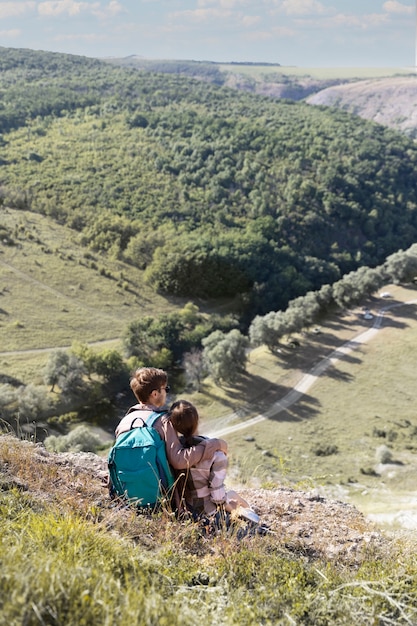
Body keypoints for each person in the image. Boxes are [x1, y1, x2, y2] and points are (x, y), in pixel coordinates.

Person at [115, 367, 228, 509]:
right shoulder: (162, 421)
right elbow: (179, 460)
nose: (166, 393)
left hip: (127, 496)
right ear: (155, 394)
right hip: (161, 500)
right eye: (165, 389)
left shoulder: (125, 421)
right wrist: (213, 445)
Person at [168, 399, 260, 525]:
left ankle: (249, 512)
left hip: (183, 508)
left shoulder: (173, 452)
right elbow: (217, 495)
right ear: (197, 421)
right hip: (209, 513)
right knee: (234, 499)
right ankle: (253, 518)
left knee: (232, 494)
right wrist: (227, 505)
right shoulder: (216, 452)